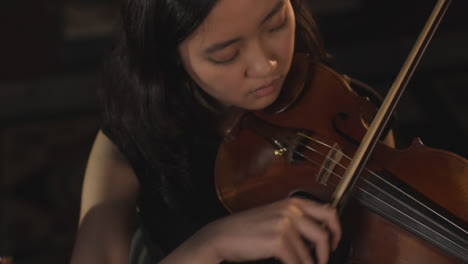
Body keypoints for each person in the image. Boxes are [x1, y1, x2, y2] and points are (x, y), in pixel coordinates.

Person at [71, 0, 394, 263]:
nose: (266, 65)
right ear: (171, 54)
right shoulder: (130, 143)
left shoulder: (354, 114)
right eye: (226, 54)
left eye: (276, 23)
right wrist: (210, 245)